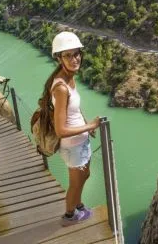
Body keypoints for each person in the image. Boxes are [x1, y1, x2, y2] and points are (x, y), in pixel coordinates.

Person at [40, 31, 100, 225]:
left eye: (77, 53)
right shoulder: (61, 87)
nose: (75, 59)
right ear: (59, 58)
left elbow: (74, 109)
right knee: (76, 183)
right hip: (73, 145)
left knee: (85, 175)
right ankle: (69, 215)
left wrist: (85, 123)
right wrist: (90, 125)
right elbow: (60, 131)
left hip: (80, 141)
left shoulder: (69, 78)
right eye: (68, 55)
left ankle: (78, 204)